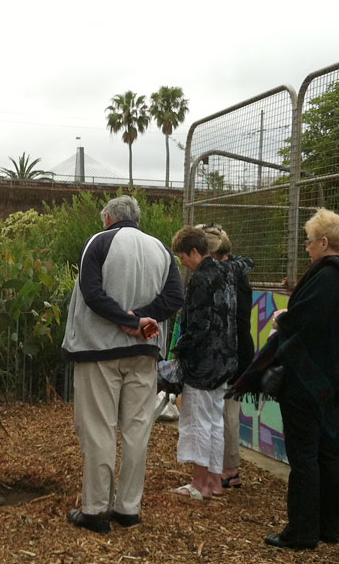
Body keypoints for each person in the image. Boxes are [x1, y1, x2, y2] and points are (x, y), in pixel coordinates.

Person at [228, 208, 339, 549]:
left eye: (309, 241)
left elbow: (305, 322)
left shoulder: (324, 275)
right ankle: (329, 527)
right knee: (328, 451)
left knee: (304, 455)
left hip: (308, 381)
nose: (306, 248)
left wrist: (281, 319)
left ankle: (302, 532)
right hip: (338, 378)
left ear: (323, 241)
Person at [63, 195, 184, 533]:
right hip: (144, 351)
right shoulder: (160, 249)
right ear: (137, 219)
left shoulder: (99, 242)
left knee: (99, 427)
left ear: (107, 218)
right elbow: (175, 297)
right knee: (136, 429)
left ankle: (96, 509)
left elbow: (91, 291)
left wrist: (124, 319)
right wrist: (146, 319)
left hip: (98, 350)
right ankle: (129, 508)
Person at [169, 225, 238, 501]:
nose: (183, 262)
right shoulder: (227, 273)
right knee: (214, 422)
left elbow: (198, 325)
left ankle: (198, 484)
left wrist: (179, 351)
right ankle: (214, 482)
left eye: (184, 256)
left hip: (202, 365)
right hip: (224, 362)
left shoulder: (200, 279)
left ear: (195, 252)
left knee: (197, 421)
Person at [196, 225, 254, 489]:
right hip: (234, 350)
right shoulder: (236, 270)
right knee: (225, 409)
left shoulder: (229, 275)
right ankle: (224, 466)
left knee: (228, 410)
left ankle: (229, 468)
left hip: (235, 351)